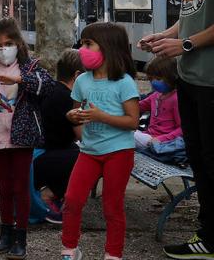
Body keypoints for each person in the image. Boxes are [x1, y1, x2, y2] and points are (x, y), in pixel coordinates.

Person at [139, 0, 214, 260]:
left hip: (212, 79)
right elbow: (190, 17)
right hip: (190, 77)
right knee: (199, 158)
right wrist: (162, 37)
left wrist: (183, 44)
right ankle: (207, 234)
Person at [61, 23, 140, 260]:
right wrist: (72, 116)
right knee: (72, 200)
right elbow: (74, 112)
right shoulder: (83, 80)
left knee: (112, 206)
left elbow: (133, 121)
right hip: (89, 151)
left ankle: (113, 253)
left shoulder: (124, 82)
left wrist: (100, 116)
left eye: (88, 44)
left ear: (107, 47)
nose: (82, 49)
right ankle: (69, 249)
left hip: (119, 152)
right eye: (82, 43)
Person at [0, 18, 53, 259]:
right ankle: (5, 233)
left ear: (18, 43)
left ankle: (20, 237)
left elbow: (48, 87)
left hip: (23, 137)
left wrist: (20, 80)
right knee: (4, 188)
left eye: (9, 43)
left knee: (21, 187)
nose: (4, 49)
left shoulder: (31, 67)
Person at [32, 49, 84, 224]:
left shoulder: (50, 89)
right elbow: (83, 136)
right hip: (42, 158)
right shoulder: (68, 98)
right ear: (77, 76)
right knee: (88, 156)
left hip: (34, 155)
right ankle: (49, 194)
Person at [137, 57, 185, 165]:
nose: (154, 82)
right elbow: (138, 106)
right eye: (151, 79)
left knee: (125, 136)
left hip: (162, 143)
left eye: (158, 78)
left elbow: (183, 129)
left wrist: (161, 139)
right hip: (148, 137)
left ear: (172, 77)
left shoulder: (176, 99)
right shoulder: (156, 95)